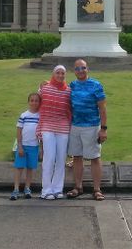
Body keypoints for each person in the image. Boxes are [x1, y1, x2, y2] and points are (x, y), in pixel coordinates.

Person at [66, 58, 108, 201]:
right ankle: (78, 187)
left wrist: (103, 129)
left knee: (95, 157)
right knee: (77, 157)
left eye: (83, 68)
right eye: (77, 68)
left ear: (87, 69)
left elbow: (102, 108)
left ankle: (97, 189)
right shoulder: (72, 85)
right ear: (74, 71)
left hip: (91, 126)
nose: (80, 71)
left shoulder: (96, 85)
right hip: (75, 126)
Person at [36, 65, 72, 200]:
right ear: (53, 74)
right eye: (58, 73)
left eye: (63, 73)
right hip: (47, 127)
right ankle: (46, 190)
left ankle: (57, 189)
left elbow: (70, 109)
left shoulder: (68, 90)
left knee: (61, 159)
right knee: (49, 158)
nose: (60, 75)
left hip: (63, 128)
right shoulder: (45, 88)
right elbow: (37, 102)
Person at [10, 92, 41, 200]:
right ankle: (16, 189)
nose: (34, 102)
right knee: (19, 167)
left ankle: (27, 188)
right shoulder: (24, 115)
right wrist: (20, 146)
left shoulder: (40, 116)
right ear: (28, 102)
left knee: (30, 168)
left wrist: (41, 148)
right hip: (23, 146)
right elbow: (19, 131)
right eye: (32, 100)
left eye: (36, 100)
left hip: (34, 146)